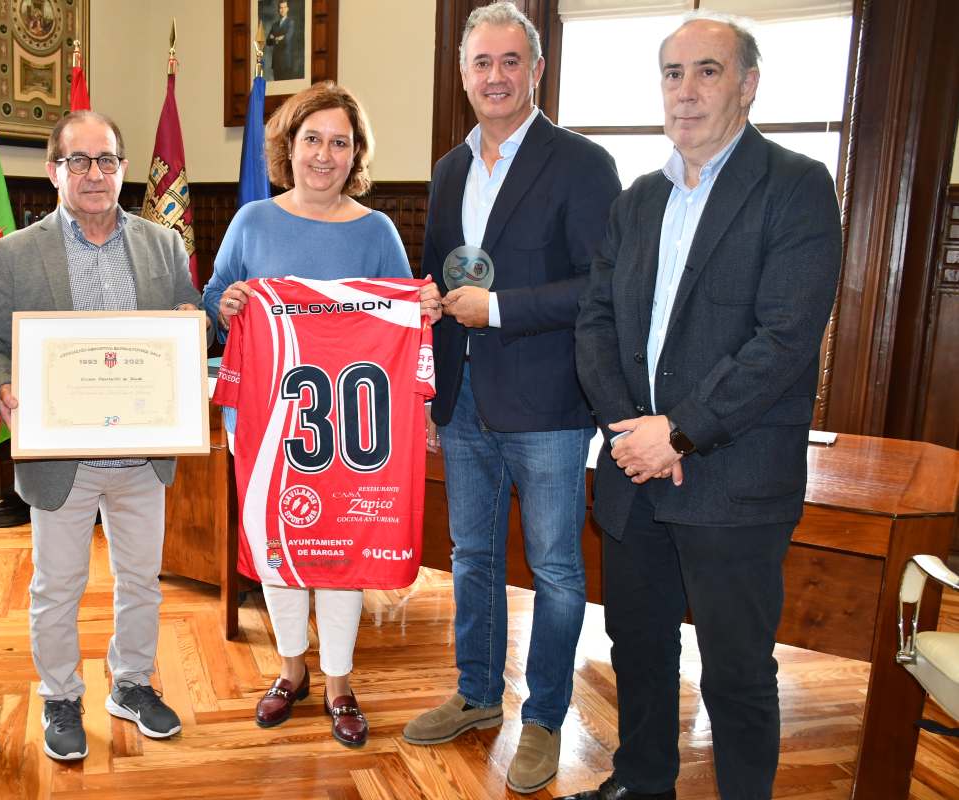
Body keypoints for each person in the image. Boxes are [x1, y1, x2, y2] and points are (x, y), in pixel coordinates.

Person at [564, 13, 842, 800]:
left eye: (708, 72)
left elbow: (783, 338)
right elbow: (597, 322)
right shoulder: (637, 199)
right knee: (636, 646)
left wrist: (678, 434)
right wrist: (631, 433)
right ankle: (643, 780)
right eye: (672, 73)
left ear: (748, 86)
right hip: (633, 470)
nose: (685, 92)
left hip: (732, 477)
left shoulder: (795, 186)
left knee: (737, 669)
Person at [402, 2, 620, 794]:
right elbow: (440, 271)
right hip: (462, 401)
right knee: (472, 557)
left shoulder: (582, 163)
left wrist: (495, 309)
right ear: (463, 75)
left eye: (508, 62)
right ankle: (476, 693)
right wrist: (430, 308)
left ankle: (544, 720)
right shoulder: (451, 167)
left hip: (551, 406)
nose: (494, 76)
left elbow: (603, 284)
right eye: (480, 63)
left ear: (536, 70)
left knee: (558, 571)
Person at [203, 81, 442, 748]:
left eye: (340, 142)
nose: (325, 154)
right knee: (282, 551)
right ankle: (289, 671)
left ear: (355, 154)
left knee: (344, 551)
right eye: (313, 139)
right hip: (267, 422)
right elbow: (214, 294)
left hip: (352, 431)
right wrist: (225, 306)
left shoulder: (377, 230)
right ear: (290, 145)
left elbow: (401, 316)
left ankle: (339, 681)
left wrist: (422, 310)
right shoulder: (253, 220)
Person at [0, 110, 208, 763]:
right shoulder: (14, 253)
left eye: (106, 161)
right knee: (56, 584)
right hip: (60, 456)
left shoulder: (164, 246)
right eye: (79, 161)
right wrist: (3, 387)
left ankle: (130, 684)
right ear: (54, 171)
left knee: (142, 581)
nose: (94, 174)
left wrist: (197, 329)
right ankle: (61, 696)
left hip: (140, 456)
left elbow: (188, 327)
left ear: (124, 170)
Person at [265, 0, 301, 80]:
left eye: (284, 7)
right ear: (278, 10)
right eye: (281, 8)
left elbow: (286, 40)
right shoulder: (274, 25)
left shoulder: (290, 23)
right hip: (276, 62)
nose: (282, 10)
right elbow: (268, 42)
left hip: (286, 62)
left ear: (287, 9)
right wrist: (278, 38)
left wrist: (274, 38)